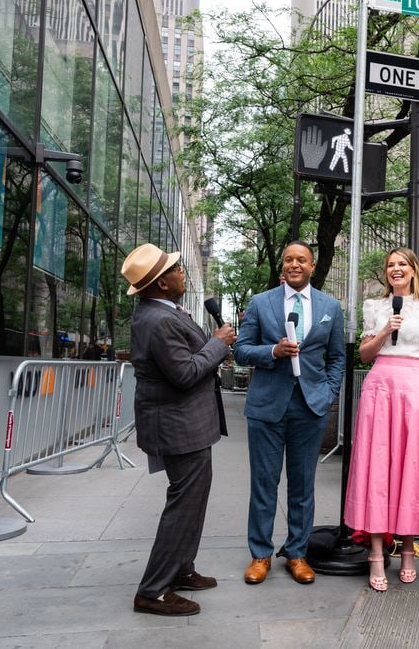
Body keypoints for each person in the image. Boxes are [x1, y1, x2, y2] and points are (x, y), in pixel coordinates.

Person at [121, 243, 236, 617]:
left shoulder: (163, 311)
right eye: (176, 269)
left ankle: (181, 568)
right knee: (183, 504)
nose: (182, 272)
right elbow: (185, 373)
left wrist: (214, 347)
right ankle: (153, 590)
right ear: (161, 284)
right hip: (178, 426)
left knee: (193, 500)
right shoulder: (159, 319)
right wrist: (218, 345)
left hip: (188, 424)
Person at [234, 240, 345, 585]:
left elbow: (337, 356)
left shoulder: (330, 306)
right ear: (283, 266)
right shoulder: (260, 303)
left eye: (302, 260)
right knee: (264, 484)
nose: (294, 264)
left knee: (302, 485)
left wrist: (328, 393)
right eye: (289, 260)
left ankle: (297, 553)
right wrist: (273, 351)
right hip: (267, 406)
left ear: (312, 266)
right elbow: (240, 350)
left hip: (311, 406)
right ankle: (260, 555)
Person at [344, 248, 419, 592]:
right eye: (390, 265)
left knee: (410, 469)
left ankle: (407, 550)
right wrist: (382, 331)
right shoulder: (374, 306)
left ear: (414, 269)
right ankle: (376, 553)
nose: (396, 269)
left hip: (412, 391)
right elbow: (363, 354)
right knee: (377, 470)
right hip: (379, 388)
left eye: (402, 264)